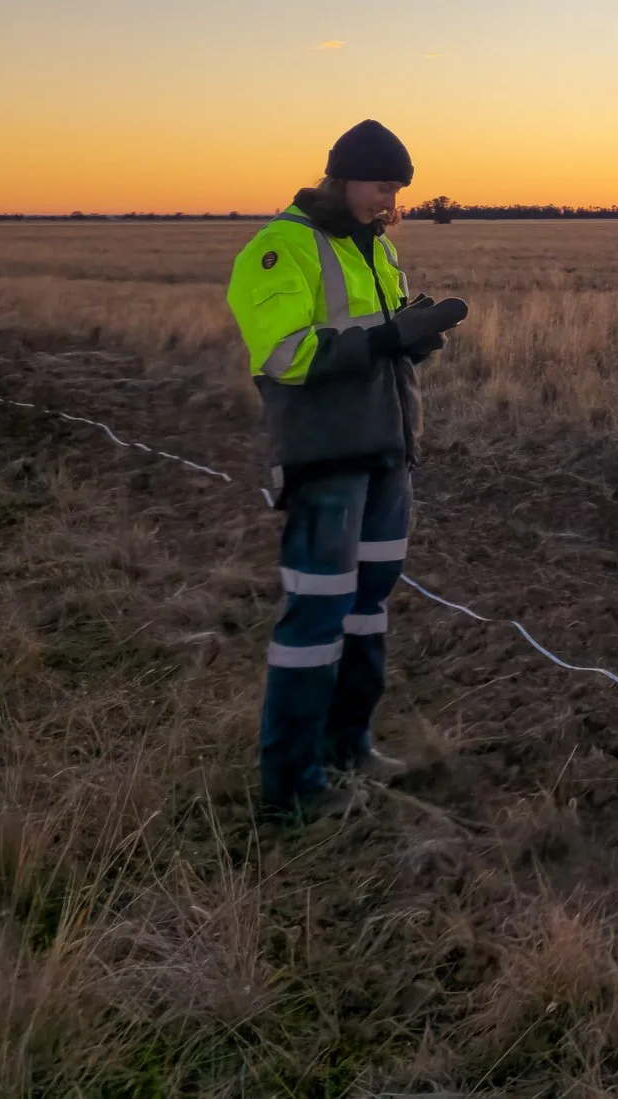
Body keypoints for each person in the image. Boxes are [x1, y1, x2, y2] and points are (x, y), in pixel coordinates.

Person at [224, 119, 468, 819]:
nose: (389, 201)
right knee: (316, 619)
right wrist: (387, 336)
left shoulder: (377, 249)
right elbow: (285, 353)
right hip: (326, 458)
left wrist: (412, 341)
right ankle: (291, 786)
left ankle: (348, 748)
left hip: (388, 453)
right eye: (380, 185)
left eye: (397, 190)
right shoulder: (281, 248)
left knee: (366, 612)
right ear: (341, 177)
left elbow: (375, 337)